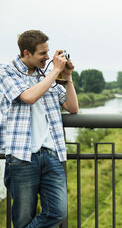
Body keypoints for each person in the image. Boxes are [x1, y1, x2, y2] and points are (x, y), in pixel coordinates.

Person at [0, 30, 79, 228]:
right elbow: (28, 97)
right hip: (22, 156)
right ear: (27, 53)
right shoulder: (6, 72)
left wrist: (67, 77)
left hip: (51, 154)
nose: (47, 57)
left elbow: (72, 107)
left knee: (58, 212)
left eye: (48, 52)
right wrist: (54, 73)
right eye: (42, 54)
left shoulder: (46, 76)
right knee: (23, 219)